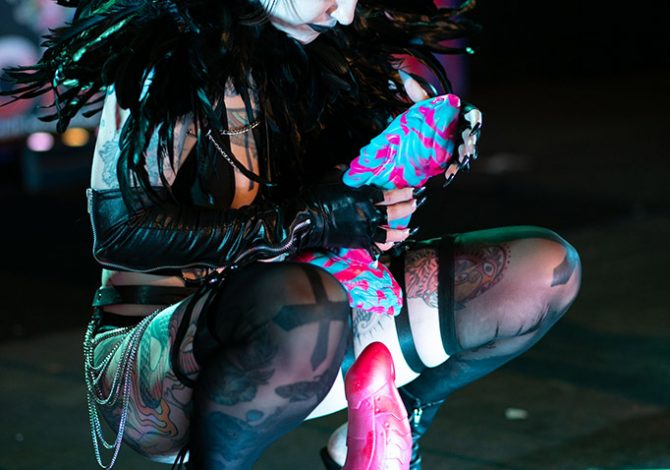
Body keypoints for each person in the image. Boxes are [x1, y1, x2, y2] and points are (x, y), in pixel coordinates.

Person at [3, 0, 582, 468]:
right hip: (164, 376)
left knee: (543, 268)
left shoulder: (337, 57)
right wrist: (306, 219)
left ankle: (398, 421)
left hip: (316, 335)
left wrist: (420, 170)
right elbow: (122, 234)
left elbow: (362, 223)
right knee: (304, 299)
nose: (344, 11)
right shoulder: (170, 65)